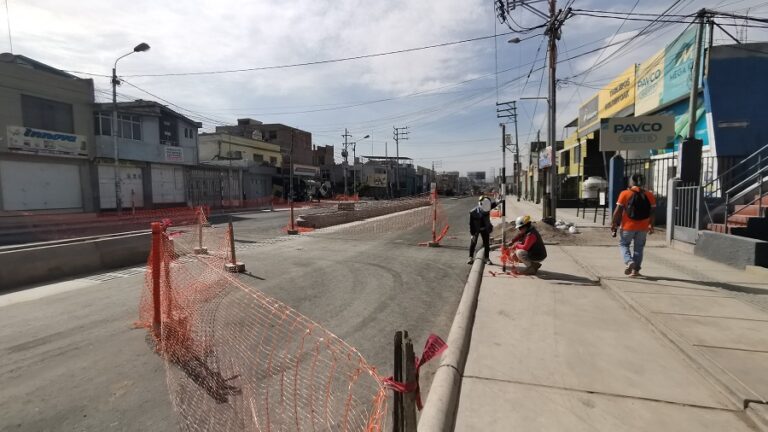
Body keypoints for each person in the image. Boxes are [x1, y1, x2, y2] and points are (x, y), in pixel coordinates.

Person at [611, 173, 656, 277]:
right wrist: (651, 225)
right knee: (639, 248)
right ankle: (635, 271)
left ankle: (629, 261)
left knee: (623, 244)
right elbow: (652, 212)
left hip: (627, 226)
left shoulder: (625, 193)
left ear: (631, 182)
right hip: (643, 227)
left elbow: (618, 211)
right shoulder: (649, 195)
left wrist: (614, 223)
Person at [468, 195, 496, 265]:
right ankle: (470, 257)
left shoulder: (487, 207)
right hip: (476, 229)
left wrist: (500, 201)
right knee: (473, 243)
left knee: (486, 244)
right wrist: (472, 234)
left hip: (485, 228)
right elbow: (471, 224)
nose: (486, 213)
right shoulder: (473, 212)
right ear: (480, 205)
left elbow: (494, 204)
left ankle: (486, 258)